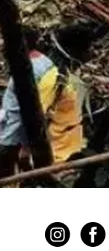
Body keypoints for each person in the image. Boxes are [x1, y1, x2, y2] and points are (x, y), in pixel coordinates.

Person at [0, 28, 86, 177]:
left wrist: (25, 147)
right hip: (12, 132)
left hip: (14, 137)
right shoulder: (36, 63)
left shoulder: (32, 69)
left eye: (4, 41)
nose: (1, 46)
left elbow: (35, 112)